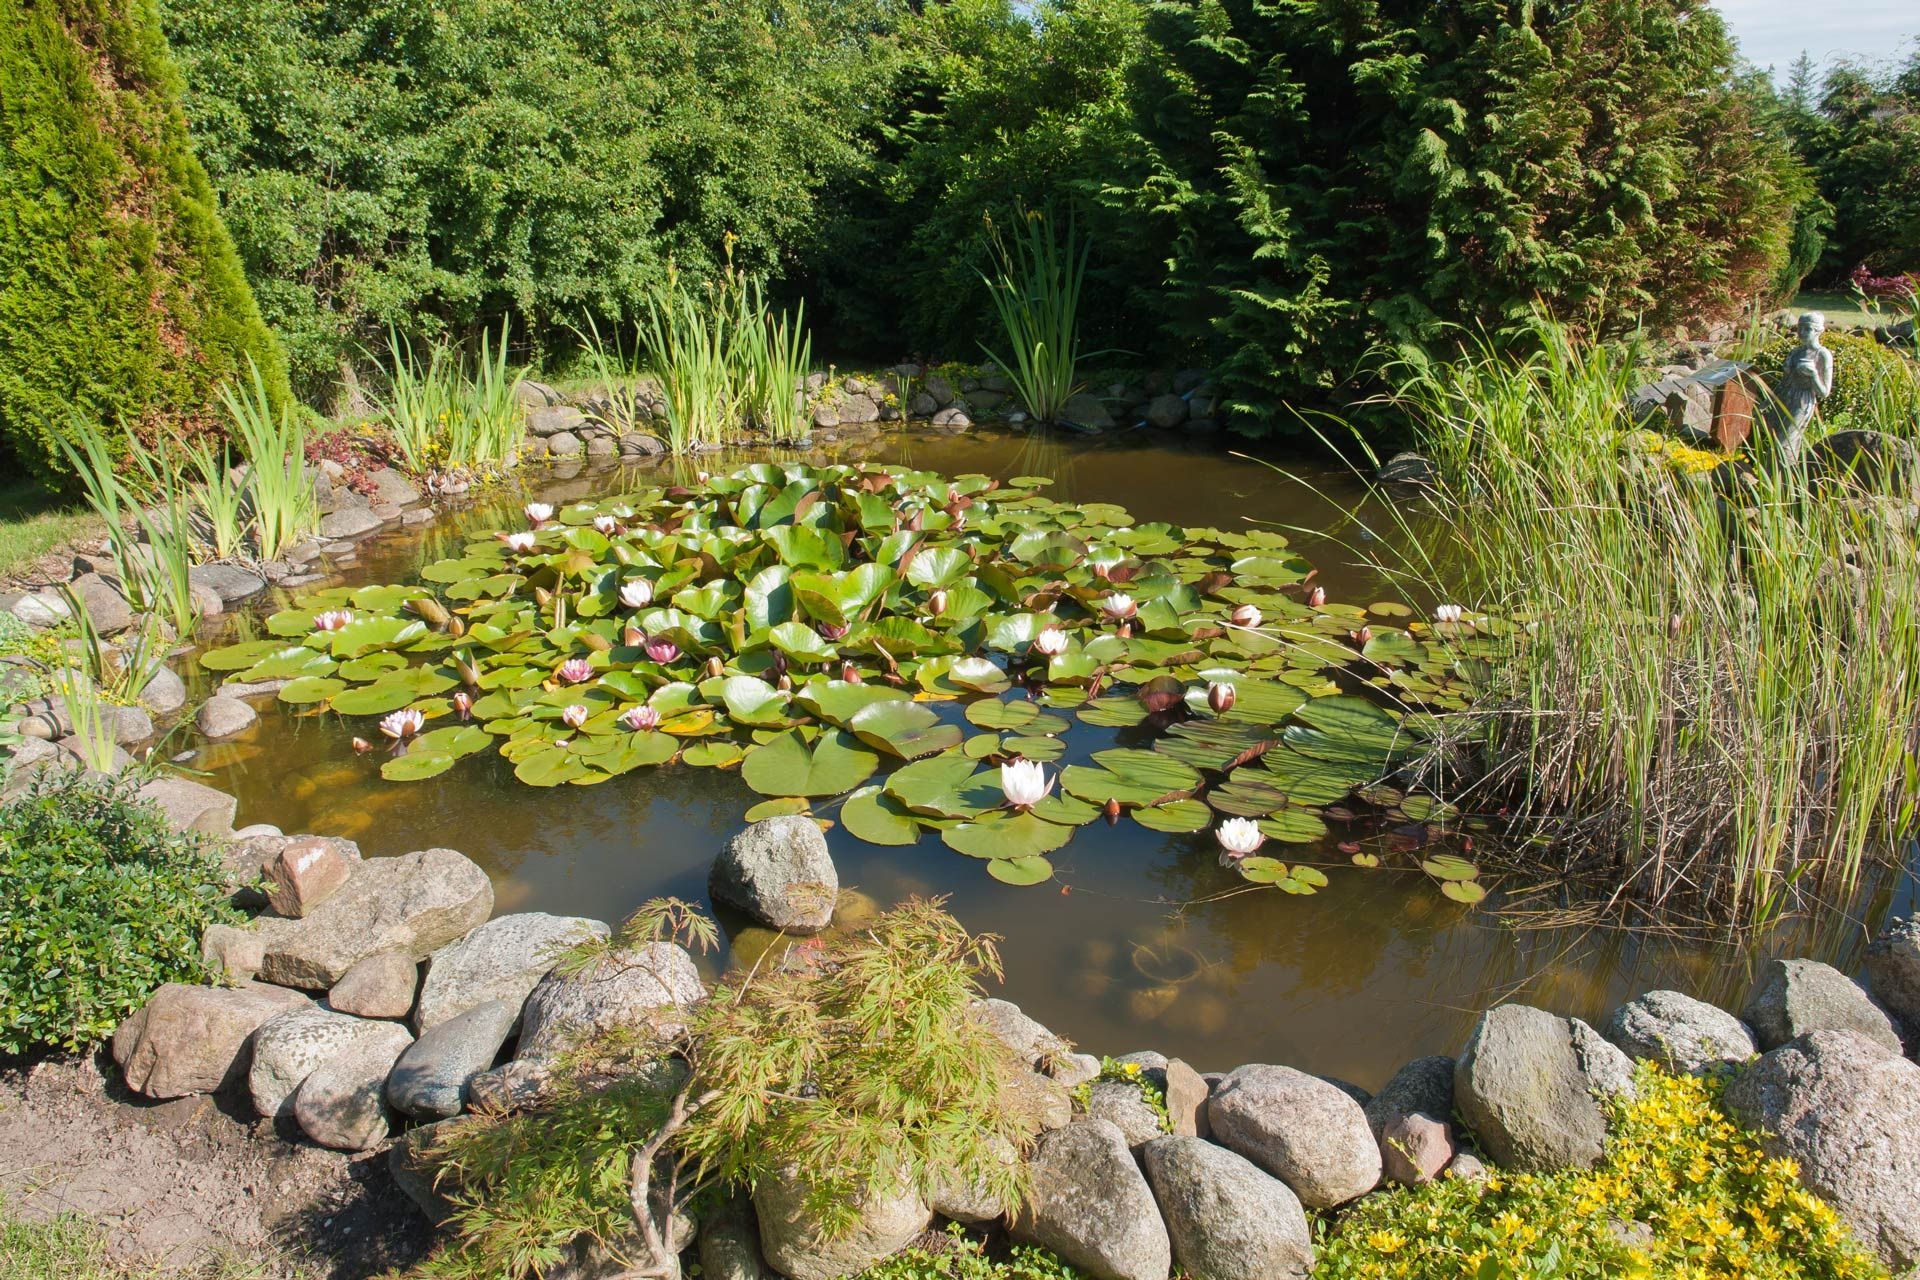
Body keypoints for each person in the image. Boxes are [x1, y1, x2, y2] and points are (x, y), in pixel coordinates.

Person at [1770, 311, 1832, 470]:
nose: (1802, 333)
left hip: (1803, 401)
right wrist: (1769, 400)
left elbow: (1824, 392)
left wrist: (1813, 375)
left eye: (1808, 329)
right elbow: (1785, 382)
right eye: (1800, 328)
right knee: (1777, 440)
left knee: (1785, 443)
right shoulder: (1795, 352)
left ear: (1819, 331)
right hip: (1786, 397)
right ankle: (1777, 481)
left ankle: (1784, 482)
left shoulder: (1823, 354)